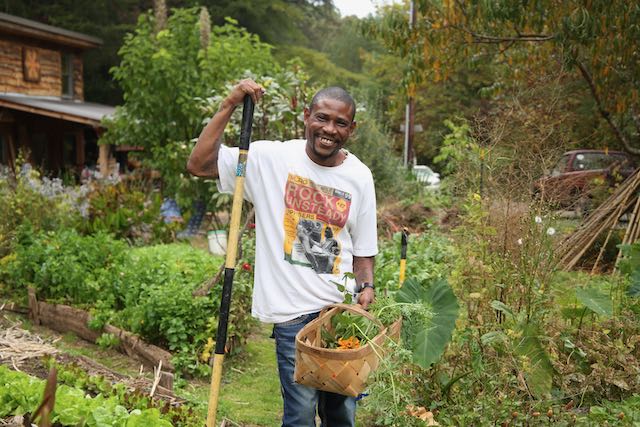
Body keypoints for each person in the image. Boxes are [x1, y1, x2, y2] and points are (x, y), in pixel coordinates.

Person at [187, 79, 377, 427]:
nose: (329, 130)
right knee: (301, 414)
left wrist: (367, 288)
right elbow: (199, 164)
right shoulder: (266, 159)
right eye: (322, 118)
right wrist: (229, 103)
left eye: (340, 123)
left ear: (352, 128)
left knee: (341, 414)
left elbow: (364, 250)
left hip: (340, 313)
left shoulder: (359, 177)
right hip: (292, 315)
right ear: (306, 116)